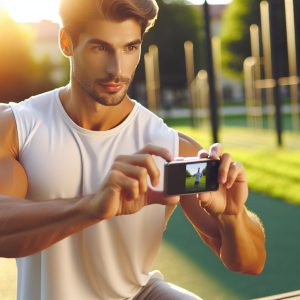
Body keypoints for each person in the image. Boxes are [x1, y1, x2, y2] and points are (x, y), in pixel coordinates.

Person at [0, 0, 266, 299]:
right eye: (100, 48)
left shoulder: (172, 148)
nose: (117, 69)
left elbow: (249, 263)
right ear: (66, 43)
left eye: (130, 48)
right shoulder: (17, 128)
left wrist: (232, 215)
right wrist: (92, 207)